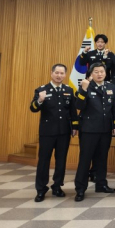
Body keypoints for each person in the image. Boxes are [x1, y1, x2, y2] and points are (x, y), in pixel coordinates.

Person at [30, 64, 77, 202]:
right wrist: (40, 100)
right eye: (56, 72)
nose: (59, 75)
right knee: (44, 161)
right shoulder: (42, 90)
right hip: (47, 132)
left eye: (62, 73)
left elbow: (73, 111)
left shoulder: (68, 90)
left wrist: (75, 126)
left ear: (65, 75)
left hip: (64, 132)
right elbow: (33, 108)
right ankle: (41, 189)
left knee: (61, 160)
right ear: (51, 73)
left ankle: (57, 186)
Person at [73, 63, 115, 202]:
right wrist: (83, 89)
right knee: (85, 159)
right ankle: (80, 189)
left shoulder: (110, 86)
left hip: (105, 129)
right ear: (91, 74)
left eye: (102, 71)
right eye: (96, 72)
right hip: (89, 129)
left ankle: (101, 184)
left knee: (102, 158)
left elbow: (114, 108)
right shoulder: (86, 86)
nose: (99, 74)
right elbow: (79, 106)